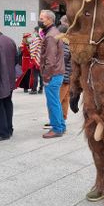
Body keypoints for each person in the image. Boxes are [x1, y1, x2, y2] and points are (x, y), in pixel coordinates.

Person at [39, 10, 66, 138]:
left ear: (50, 19)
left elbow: (50, 59)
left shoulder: (50, 36)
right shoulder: (55, 33)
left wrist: (46, 77)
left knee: (53, 102)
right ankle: (61, 126)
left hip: (53, 74)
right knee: (56, 102)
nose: (40, 21)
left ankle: (57, 129)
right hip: (57, 73)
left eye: (42, 18)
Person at [58, 24, 72, 121]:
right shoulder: (70, 43)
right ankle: (63, 118)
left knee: (57, 100)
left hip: (63, 77)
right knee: (65, 100)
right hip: (68, 76)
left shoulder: (63, 44)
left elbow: (63, 58)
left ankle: (57, 120)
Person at [29, 26, 43, 95]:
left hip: (36, 60)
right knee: (41, 75)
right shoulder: (43, 39)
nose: (33, 32)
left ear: (37, 31)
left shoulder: (37, 39)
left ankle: (34, 89)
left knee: (35, 75)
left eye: (34, 31)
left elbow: (32, 49)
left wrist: (31, 44)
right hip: (41, 59)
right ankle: (41, 88)